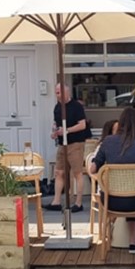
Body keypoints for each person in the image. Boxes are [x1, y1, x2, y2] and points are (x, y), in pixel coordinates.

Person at [90, 107, 135, 254]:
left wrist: (95, 159)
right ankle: (134, 242)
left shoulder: (108, 142)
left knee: (131, 193)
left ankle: (107, 244)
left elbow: (92, 169)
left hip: (111, 201)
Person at [47, 83, 91, 212]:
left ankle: (78, 202)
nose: (57, 95)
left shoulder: (76, 107)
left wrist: (67, 130)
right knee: (59, 172)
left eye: (59, 92)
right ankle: (56, 201)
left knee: (77, 172)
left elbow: (82, 125)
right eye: (56, 92)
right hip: (62, 143)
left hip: (75, 142)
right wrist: (55, 131)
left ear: (67, 93)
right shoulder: (57, 107)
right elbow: (56, 123)